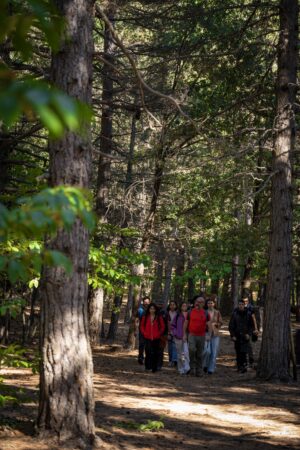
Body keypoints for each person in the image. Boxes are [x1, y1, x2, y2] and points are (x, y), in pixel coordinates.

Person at [183, 296, 210, 377]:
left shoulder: (205, 313)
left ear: (203, 304)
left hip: (202, 335)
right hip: (192, 335)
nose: (198, 303)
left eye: (200, 302)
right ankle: (192, 368)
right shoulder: (190, 312)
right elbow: (186, 323)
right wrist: (184, 334)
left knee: (200, 354)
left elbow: (209, 324)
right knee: (192, 350)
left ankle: (199, 370)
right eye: (197, 301)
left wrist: (209, 334)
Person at [229, 299, 257, 373]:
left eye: (242, 304)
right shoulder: (234, 314)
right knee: (238, 352)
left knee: (244, 351)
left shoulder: (248, 313)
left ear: (244, 305)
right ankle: (239, 366)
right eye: (239, 304)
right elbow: (231, 326)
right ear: (238, 305)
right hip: (237, 335)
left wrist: (249, 333)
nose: (241, 306)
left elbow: (251, 326)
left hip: (245, 335)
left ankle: (244, 366)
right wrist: (232, 335)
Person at [140, 302, 165, 373]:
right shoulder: (145, 317)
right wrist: (144, 333)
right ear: (149, 309)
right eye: (151, 308)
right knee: (148, 352)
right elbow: (141, 326)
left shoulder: (158, 317)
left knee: (155, 352)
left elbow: (163, 326)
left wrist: (159, 333)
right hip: (147, 337)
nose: (152, 310)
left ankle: (154, 367)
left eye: (153, 309)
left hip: (156, 338)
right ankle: (147, 367)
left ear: (155, 310)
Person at [203, 297, 223, 374]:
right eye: (208, 303)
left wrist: (216, 324)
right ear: (206, 304)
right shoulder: (204, 312)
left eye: (211, 303)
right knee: (206, 351)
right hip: (206, 333)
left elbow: (221, 322)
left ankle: (211, 369)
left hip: (215, 334)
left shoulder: (217, 312)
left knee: (213, 352)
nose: (210, 304)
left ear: (214, 304)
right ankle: (205, 365)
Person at [171, 302, 190, 375]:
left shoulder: (189, 315)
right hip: (178, 337)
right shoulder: (178, 315)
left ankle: (187, 368)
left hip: (188, 337)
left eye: (185, 305)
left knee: (186, 354)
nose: (184, 306)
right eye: (183, 305)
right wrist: (175, 333)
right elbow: (173, 325)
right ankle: (181, 369)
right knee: (180, 354)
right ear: (181, 307)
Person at [242, 296, 259, 366]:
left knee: (248, 343)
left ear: (248, 301)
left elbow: (254, 319)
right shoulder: (240, 308)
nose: (245, 302)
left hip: (249, 329)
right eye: (244, 301)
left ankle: (251, 359)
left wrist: (256, 329)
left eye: (246, 301)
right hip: (242, 329)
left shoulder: (251, 308)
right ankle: (244, 360)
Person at [135, 296, 150, 365]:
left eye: (147, 302)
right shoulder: (140, 309)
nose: (146, 303)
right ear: (143, 302)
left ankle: (148, 358)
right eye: (145, 302)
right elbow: (137, 320)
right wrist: (135, 330)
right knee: (141, 344)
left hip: (150, 330)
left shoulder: (152, 309)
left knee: (148, 345)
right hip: (142, 329)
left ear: (149, 302)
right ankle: (140, 357)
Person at [167, 301, 178, 367]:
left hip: (176, 332)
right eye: (171, 305)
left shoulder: (178, 313)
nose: (172, 306)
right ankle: (170, 360)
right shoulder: (167, 313)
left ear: (176, 306)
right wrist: (168, 332)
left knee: (175, 347)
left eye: (174, 305)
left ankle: (174, 360)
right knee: (170, 347)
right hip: (169, 332)